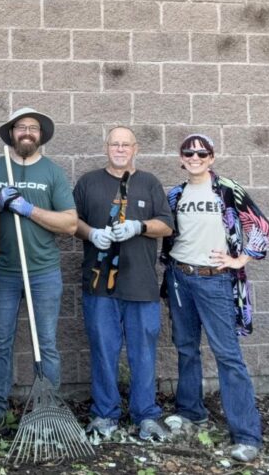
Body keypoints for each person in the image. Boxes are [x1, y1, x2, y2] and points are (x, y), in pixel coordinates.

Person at [161, 134, 269, 463]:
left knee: (227, 355)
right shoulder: (175, 194)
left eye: (202, 153)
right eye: (188, 153)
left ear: (211, 157)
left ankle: (247, 434)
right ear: (181, 158)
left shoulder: (227, 190)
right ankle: (191, 411)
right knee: (185, 347)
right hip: (180, 277)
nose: (195, 157)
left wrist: (242, 258)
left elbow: (262, 226)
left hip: (215, 280)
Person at [0, 108, 77, 439]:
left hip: (43, 273)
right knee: (0, 343)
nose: (26, 132)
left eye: (33, 128)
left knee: (46, 343)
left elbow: (70, 223)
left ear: (40, 135)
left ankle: (46, 411)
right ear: (10, 133)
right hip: (2, 272)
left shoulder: (52, 172)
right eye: (20, 127)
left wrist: (28, 208)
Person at [74, 126, 174, 442]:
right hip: (99, 284)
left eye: (125, 144)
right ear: (107, 148)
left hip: (141, 285)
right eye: (114, 144)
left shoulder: (149, 183)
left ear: (135, 148)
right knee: (103, 350)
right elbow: (70, 221)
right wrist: (90, 233)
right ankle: (105, 415)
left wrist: (139, 226)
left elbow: (166, 226)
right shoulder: (88, 182)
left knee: (143, 352)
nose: (119, 149)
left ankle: (146, 415)